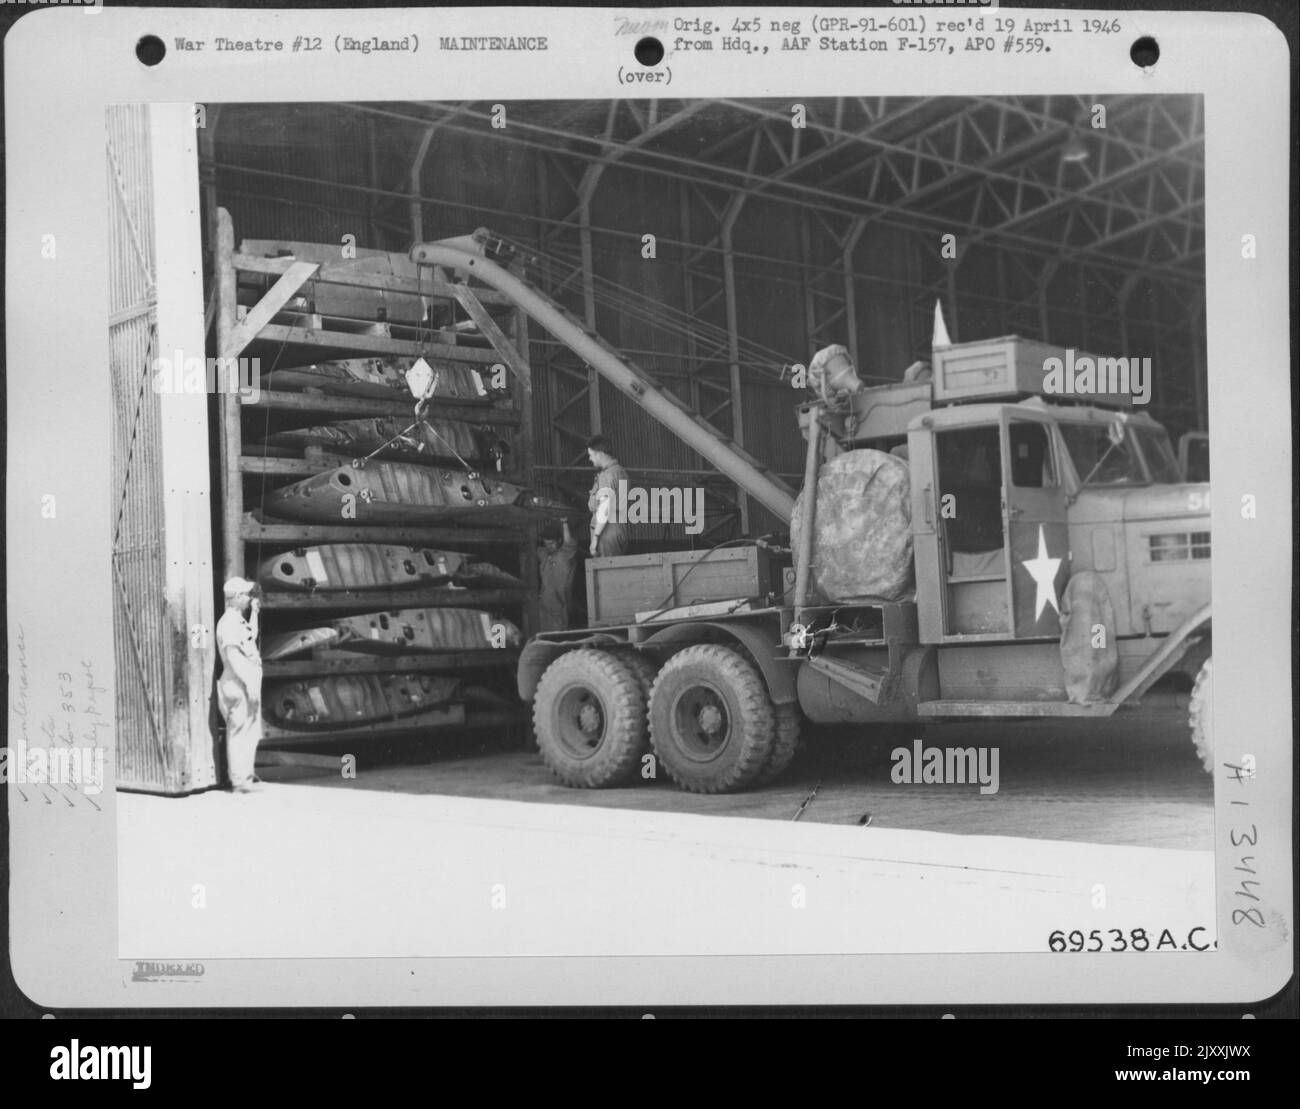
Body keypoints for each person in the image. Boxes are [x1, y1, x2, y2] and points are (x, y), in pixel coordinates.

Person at [216, 577, 263, 793]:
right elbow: (233, 656)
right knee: (239, 729)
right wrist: (249, 685)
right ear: (235, 598)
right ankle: (239, 781)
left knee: (249, 729)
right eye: (244, 595)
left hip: (245, 680)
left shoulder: (238, 621)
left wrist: (254, 613)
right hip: (238, 681)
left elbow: (250, 637)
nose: (247, 598)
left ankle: (246, 777)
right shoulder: (229, 623)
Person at [586, 434, 629, 557]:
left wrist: (596, 537)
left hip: (606, 531)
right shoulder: (620, 471)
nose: (590, 459)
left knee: (606, 573)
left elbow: (604, 508)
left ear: (600, 454)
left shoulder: (607, 475)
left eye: (591, 455)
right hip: (618, 529)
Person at [537, 519, 579, 632]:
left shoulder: (565, 554)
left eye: (551, 543)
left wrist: (565, 523)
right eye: (546, 544)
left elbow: (569, 542)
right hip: (544, 608)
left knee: (560, 635)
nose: (548, 546)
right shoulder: (544, 554)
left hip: (561, 606)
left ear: (559, 540)